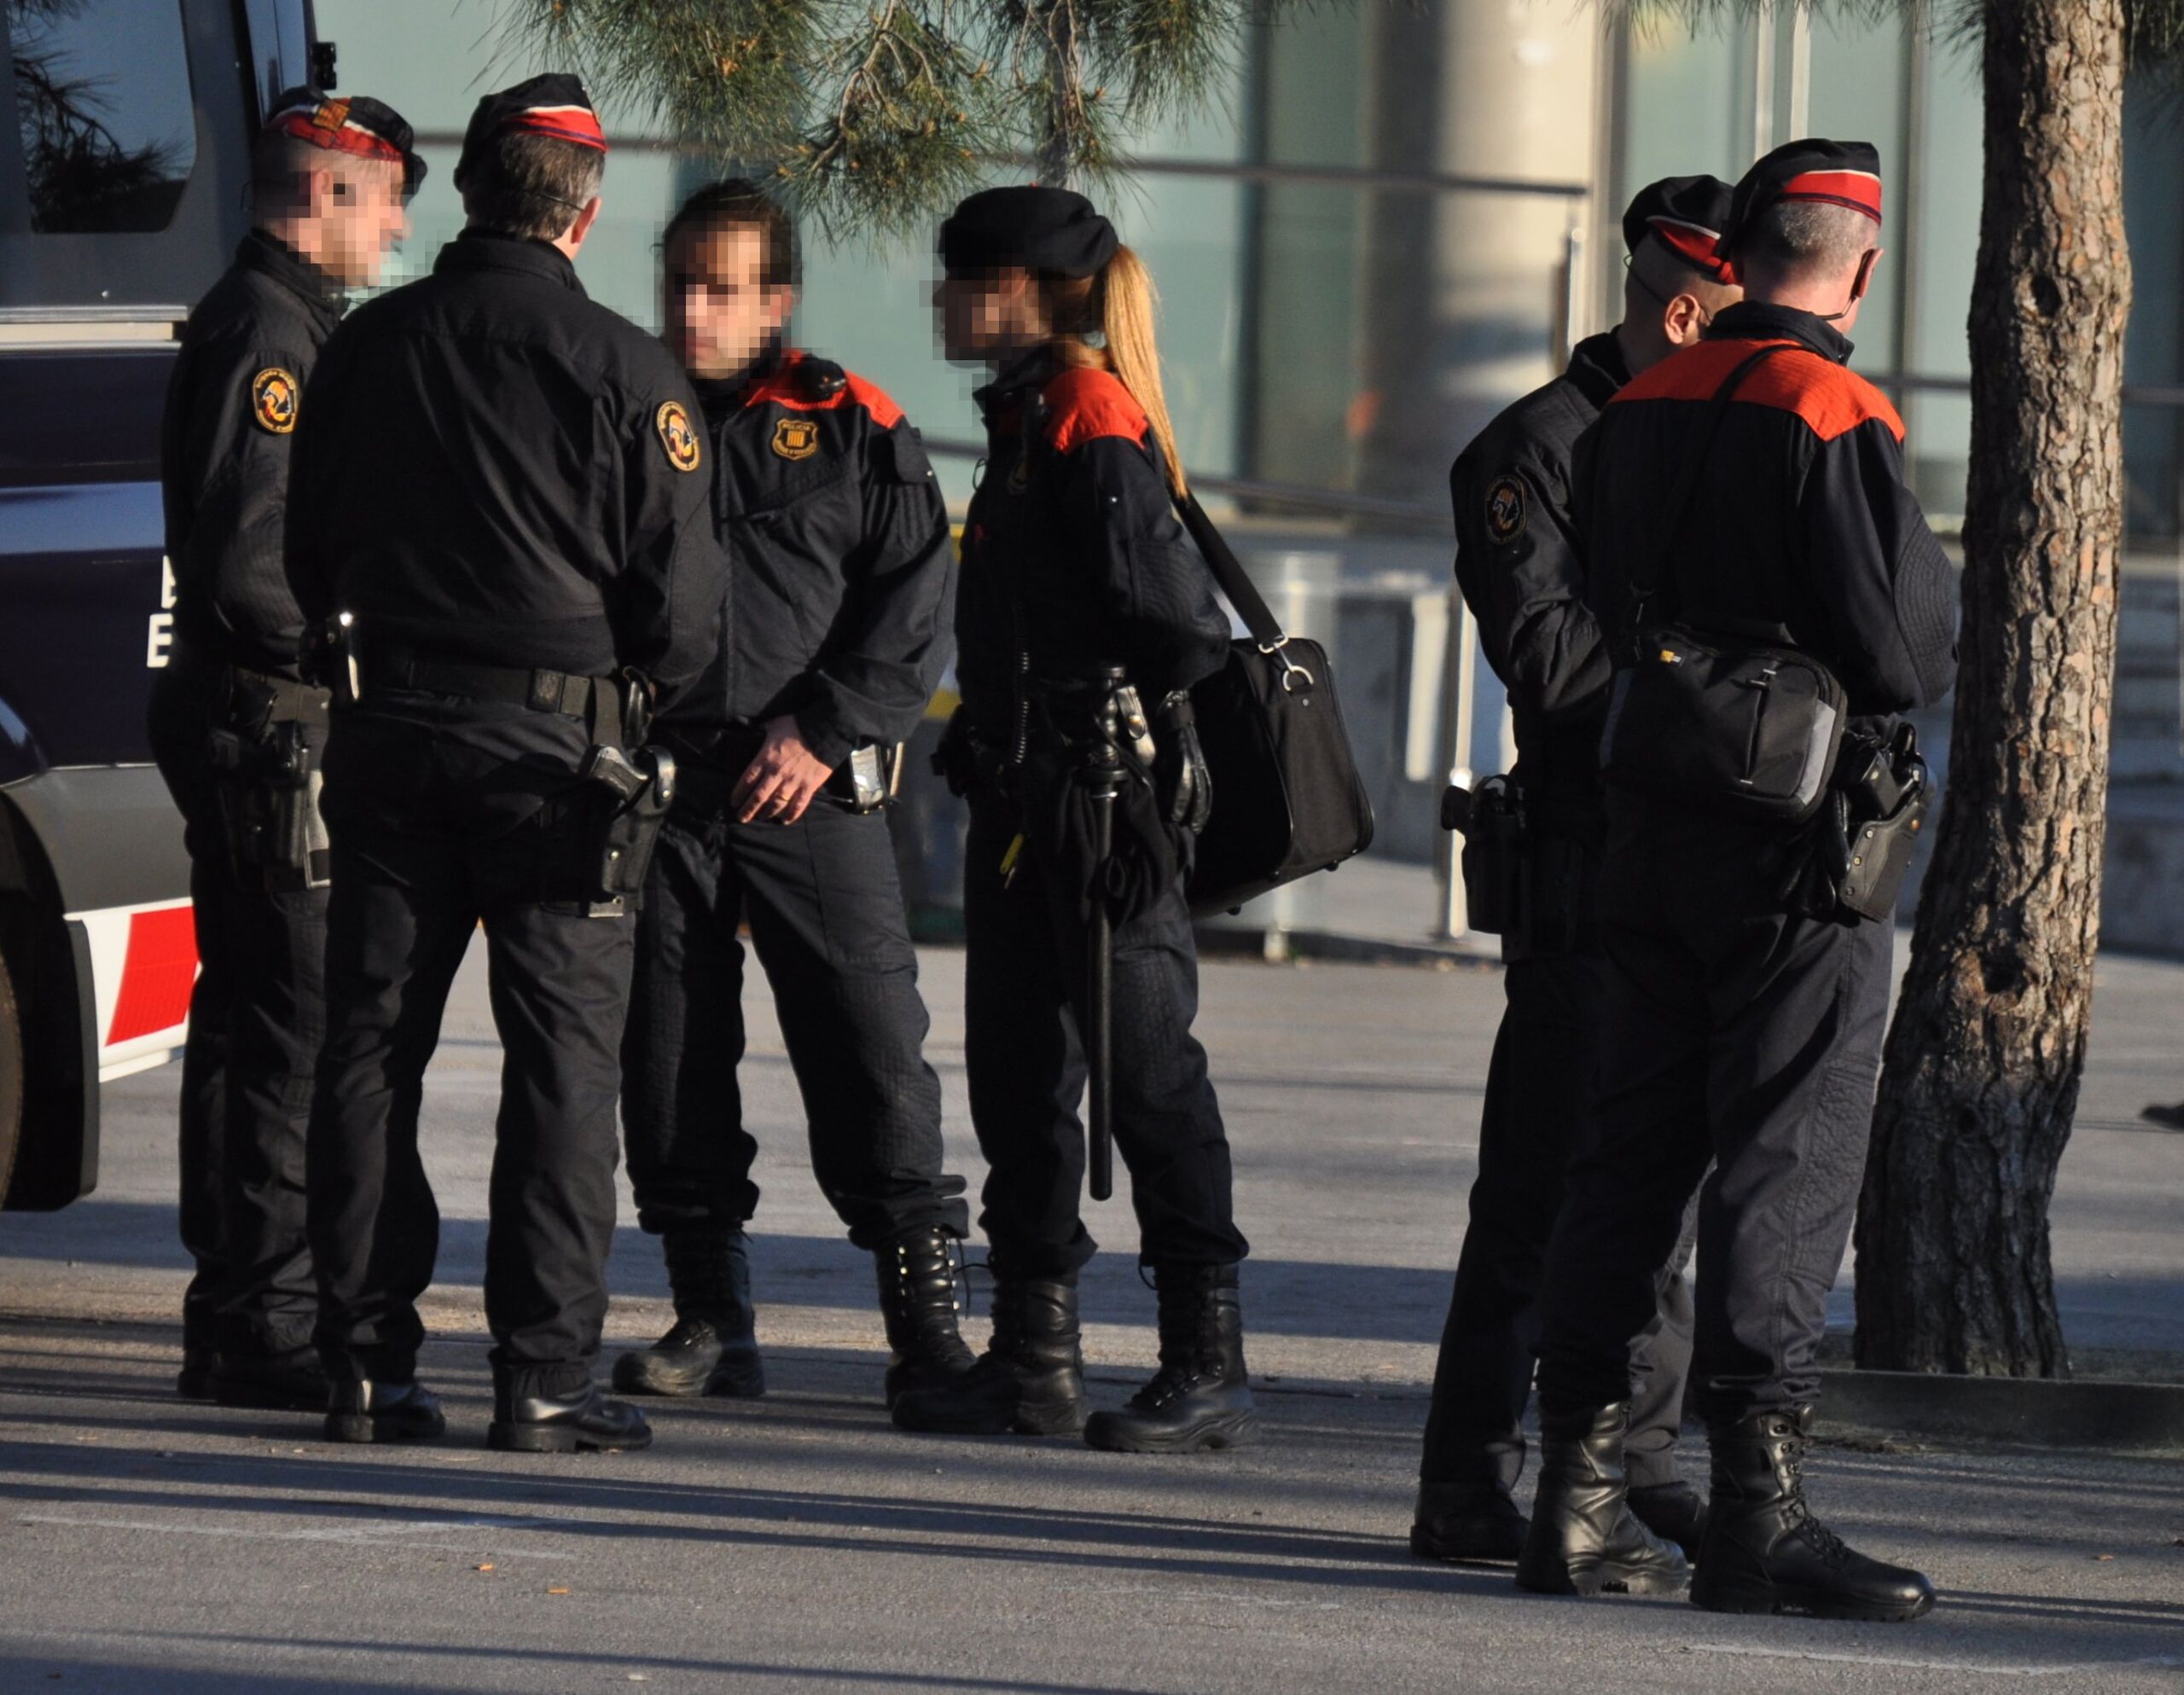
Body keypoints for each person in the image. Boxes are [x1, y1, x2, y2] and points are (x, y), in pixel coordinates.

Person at [1518, 139, 1955, 1619]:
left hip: (1650, 815)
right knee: (1788, 1151)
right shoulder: (1832, 404)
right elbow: (1903, 649)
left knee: (1629, 1153)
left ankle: (1572, 1498)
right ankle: (1759, 1511)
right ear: (1862, 267)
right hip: (1795, 843)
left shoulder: (1640, 399)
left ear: (1743, 251)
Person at [287, 75, 725, 1452]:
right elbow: (690, 621)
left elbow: (304, 551)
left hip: (390, 737)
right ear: (583, 217)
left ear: (470, 193)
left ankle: (362, 1366)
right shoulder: (629, 372)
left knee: (367, 1052)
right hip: (557, 762)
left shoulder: (361, 348)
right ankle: (541, 1380)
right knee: (560, 1073)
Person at [889, 187, 1256, 1452]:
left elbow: (1177, 623)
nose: (942, 300)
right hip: (1028, 801)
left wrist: (1077, 709)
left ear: (1023, 292)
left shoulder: (1088, 415)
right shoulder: (1031, 411)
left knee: (1148, 1076)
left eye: (961, 277)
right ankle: (1034, 1360)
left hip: (1105, 809)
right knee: (1021, 1080)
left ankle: (1208, 1361)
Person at [1414, 176, 1740, 1564]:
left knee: (1665, 1196)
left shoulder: (1724, 434)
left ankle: (1635, 1461)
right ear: (1684, 308)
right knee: (1541, 1189)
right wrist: (1717, 694)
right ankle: (1467, 1476)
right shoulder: (1537, 451)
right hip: (1583, 870)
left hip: (1691, 862)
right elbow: (1552, 666)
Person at [613, 179, 973, 1408]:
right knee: (665, 1059)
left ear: (777, 300)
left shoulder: (850, 422)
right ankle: (713, 1319)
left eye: (724, 289)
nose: (696, 311)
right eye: (681, 284)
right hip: (657, 790)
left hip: (808, 791)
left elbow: (914, 601)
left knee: (870, 1046)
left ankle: (927, 1335)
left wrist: (823, 732)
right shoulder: (618, 408)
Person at [154, 88, 421, 1412]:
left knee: (255, 1013)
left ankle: (243, 1307)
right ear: (325, 195)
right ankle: (264, 1314)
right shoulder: (273, 333)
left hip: (252, 720)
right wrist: (358, 661)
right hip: (272, 724)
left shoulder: (274, 317)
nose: (398, 230)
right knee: (292, 1025)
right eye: (385, 202)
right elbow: (250, 562)